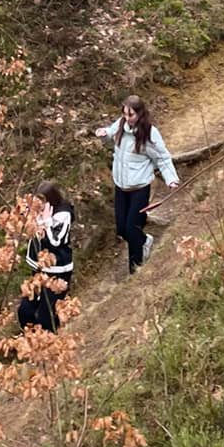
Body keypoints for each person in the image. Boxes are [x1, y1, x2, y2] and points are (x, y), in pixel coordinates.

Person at [94, 95, 178, 274]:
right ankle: (145, 241)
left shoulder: (150, 133)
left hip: (139, 188)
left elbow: (162, 158)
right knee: (122, 229)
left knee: (132, 228)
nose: (127, 118)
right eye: (124, 114)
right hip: (121, 186)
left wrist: (171, 179)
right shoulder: (120, 125)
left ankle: (135, 268)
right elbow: (109, 134)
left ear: (140, 114)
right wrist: (103, 134)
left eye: (131, 115)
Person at [16, 181, 75, 333]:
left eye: (42, 201)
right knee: (25, 311)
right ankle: (31, 340)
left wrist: (47, 221)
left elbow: (56, 241)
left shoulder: (63, 214)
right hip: (39, 269)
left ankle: (51, 341)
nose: (39, 205)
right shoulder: (36, 210)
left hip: (57, 271)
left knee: (46, 316)